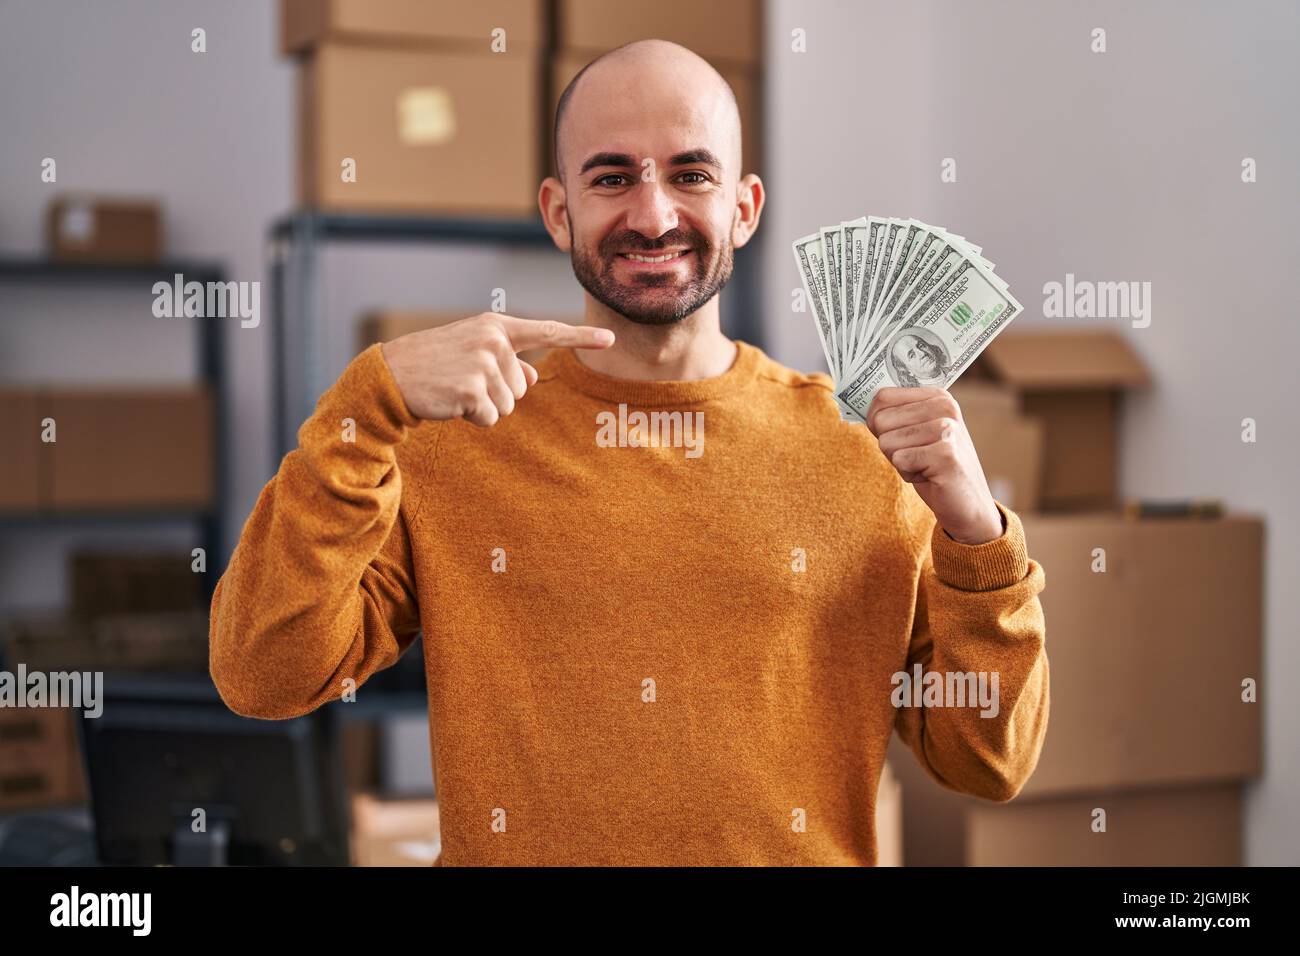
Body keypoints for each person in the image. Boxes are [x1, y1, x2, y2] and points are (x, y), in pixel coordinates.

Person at [209, 39, 1048, 866]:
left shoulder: (862, 451)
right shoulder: (453, 445)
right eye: (612, 177)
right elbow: (265, 675)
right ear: (558, 211)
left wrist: (980, 542)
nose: (653, 216)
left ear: (745, 208)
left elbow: (988, 761)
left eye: (691, 174)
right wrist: (364, 407)